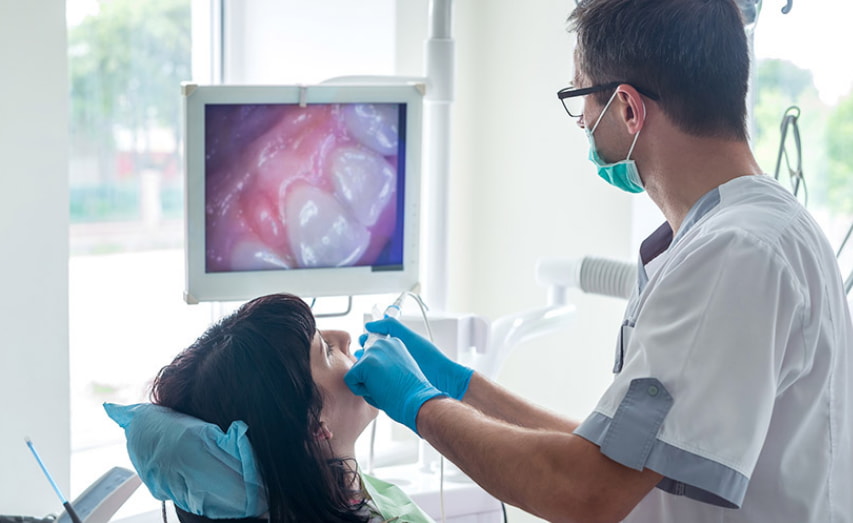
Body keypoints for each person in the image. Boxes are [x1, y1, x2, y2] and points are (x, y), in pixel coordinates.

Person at [344, 0, 853, 522]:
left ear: (629, 110)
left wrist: (418, 405)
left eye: (580, 97)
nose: (583, 121)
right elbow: (618, 455)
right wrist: (463, 387)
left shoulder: (736, 254)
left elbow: (586, 491)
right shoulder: (746, 235)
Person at [106, 293, 434, 523]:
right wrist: (430, 406)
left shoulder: (356, 491)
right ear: (313, 426)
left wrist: (468, 389)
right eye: (327, 350)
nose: (346, 336)